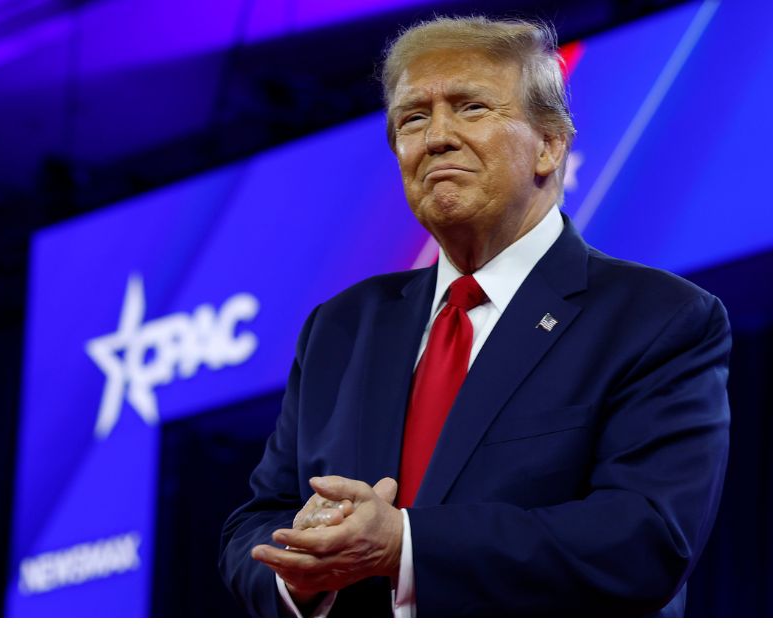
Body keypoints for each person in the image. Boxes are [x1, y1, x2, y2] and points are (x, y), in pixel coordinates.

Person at [219, 16, 730, 617]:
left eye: (470, 108)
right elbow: (255, 524)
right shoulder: (342, 327)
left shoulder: (658, 319)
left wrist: (403, 544)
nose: (436, 137)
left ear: (549, 144)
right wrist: (302, 568)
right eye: (413, 117)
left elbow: (645, 539)